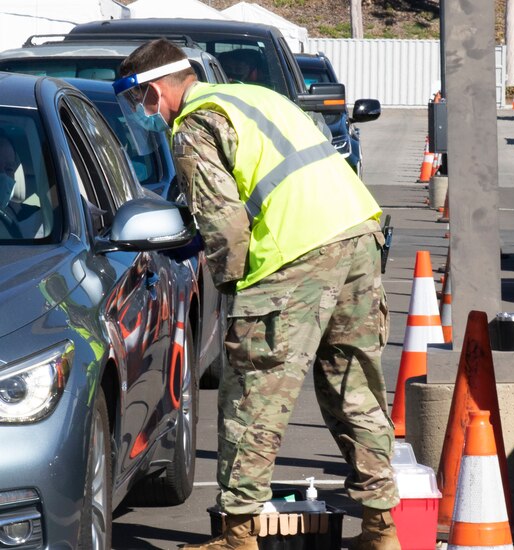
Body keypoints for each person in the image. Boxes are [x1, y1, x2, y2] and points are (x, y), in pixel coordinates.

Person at [115, 39, 400, 550]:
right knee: (354, 387)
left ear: (155, 91)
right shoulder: (253, 96)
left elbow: (225, 223)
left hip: (295, 253)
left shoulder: (195, 126)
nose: (142, 115)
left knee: (253, 395)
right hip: (358, 234)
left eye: (139, 103)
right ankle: (382, 528)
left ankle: (238, 533)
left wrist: (229, 288)